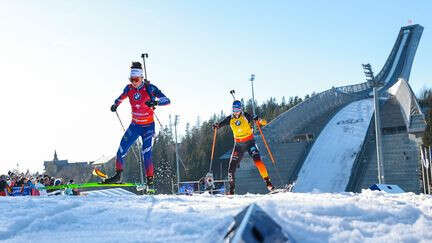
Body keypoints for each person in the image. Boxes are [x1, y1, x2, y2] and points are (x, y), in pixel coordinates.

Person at [104, 61, 170, 188]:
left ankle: (150, 180)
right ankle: (118, 175)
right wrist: (115, 105)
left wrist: (155, 102)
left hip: (148, 127)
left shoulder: (150, 88)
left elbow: (167, 100)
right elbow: (120, 98)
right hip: (135, 126)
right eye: (131, 79)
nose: (133, 82)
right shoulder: (129, 89)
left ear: (141, 77)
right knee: (121, 149)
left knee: (146, 153)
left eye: (136, 79)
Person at [213, 100, 275, 195]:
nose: (236, 111)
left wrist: (258, 119)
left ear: (241, 109)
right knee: (231, 168)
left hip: (250, 143)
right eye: (234, 109)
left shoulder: (246, 116)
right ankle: (231, 190)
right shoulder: (230, 119)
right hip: (238, 146)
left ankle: (268, 183)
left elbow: (264, 122)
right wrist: (216, 126)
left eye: (238, 109)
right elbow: (219, 125)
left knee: (258, 161)